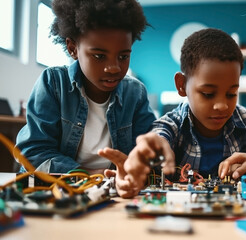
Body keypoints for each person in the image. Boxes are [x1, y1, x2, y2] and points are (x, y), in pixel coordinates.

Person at [102, 28, 246, 197]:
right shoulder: (171, 125)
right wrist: (145, 158)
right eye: (208, 94)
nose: (222, 106)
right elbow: (159, 138)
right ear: (181, 85)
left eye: (231, 94)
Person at [16, 0, 156, 181]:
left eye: (123, 56)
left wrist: (137, 168)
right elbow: (33, 153)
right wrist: (89, 176)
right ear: (73, 48)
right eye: (99, 56)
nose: (113, 68)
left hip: (114, 192)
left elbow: (147, 153)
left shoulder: (135, 93)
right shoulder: (53, 83)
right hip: (61, 190)